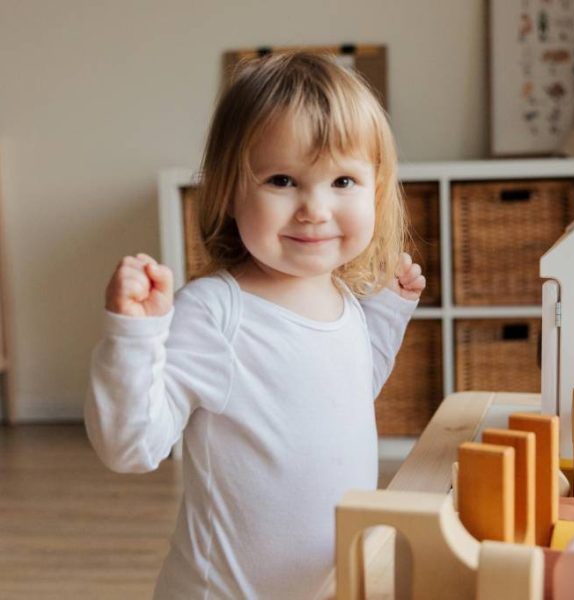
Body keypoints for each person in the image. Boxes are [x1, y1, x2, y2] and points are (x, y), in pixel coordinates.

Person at [85, 52, 425, 599]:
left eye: (342, 180)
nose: (314, 208)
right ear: (230, 191)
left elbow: (350, 395)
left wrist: (386, 312)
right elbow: (132, 446)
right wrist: (134, 338)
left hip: (328, 586)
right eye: (283, 180)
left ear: (377, 192)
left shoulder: (344, 300)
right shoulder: (215, 313)